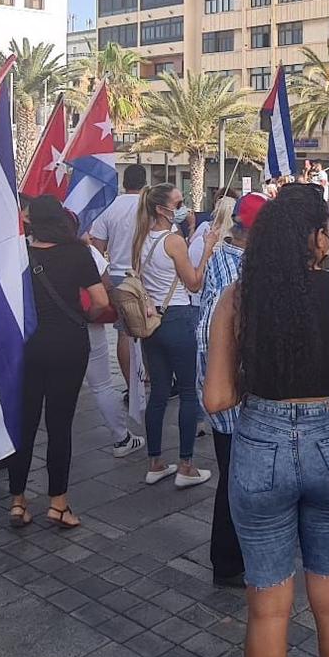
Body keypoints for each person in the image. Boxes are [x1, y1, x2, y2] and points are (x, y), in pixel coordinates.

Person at [204, 185, 329, 657]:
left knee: (267, 608)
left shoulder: (236, 299)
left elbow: (217, 397)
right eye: (324, 232)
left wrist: (259, 381)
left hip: (260, 444)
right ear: (312, 239)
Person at [7, 196, 113, 528]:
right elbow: (100, 301)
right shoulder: (78, 252)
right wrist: (82, 316)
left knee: (23, 425)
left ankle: (18, 501)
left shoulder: (19, 253)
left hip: (27, 344)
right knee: (59, 425)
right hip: (68, 342)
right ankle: (59, 503)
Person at [196, 193, 267, 587]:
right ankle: (228, 561)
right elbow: (212, 333)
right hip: (231, 397)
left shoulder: (224, 256)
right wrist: (228, 387)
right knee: (236, 480)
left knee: (237, 477)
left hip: (226, 391)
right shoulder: (233, 270)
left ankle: (232, 557)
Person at [131, 183, 210, 487]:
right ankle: (186, 465)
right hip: (178, 317)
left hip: (152, 324)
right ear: (163, 209)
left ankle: (155, 462)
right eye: (178, 203)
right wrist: (207, 251)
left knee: (160, 393)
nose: (183, 206)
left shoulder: (141, 238)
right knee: (188, 391)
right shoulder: (173, 241)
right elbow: (193, 283)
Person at [88, 164, 153, 452]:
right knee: (150, 328)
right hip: (146, 273)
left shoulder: (109, 208)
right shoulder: (151, 208)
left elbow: (96, 246)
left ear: (124, 182)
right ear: (145, 183)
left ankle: (132, 385)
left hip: (116, 274)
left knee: (125, 333)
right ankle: (150, 380)